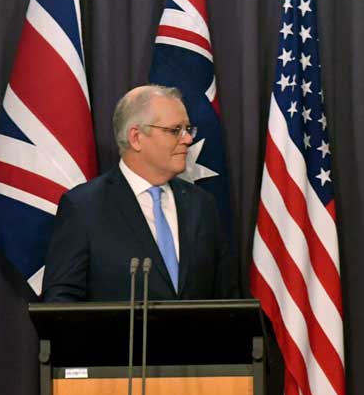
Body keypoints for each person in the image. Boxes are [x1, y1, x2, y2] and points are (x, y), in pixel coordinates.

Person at [41, 84, 238, 302]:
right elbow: (61, 302)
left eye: (188, 129)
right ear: (136, 137)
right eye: (175, 130)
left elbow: (227, 298)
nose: (187, 139)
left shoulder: (202, 205)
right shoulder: (84, 207)